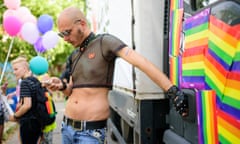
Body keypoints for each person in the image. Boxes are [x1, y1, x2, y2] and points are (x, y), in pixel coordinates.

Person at [44, 6, 188, 144]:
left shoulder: (104, 42)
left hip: (89, 133)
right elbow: (70, 90)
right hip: (66, 128)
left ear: (81, 24)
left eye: (67, 32)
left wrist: (171, 90)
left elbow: (141, 62)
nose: (65, 39)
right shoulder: (74, 55)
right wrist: (60, 85)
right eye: (62, 34)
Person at [8, 56, 42, 144]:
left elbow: (27, 105)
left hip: (28, 123)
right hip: (37, 121)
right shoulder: (34, 80)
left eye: (16, 69)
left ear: (24, 68)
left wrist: (15, 116)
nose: (14, 72)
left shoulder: (25, 82)